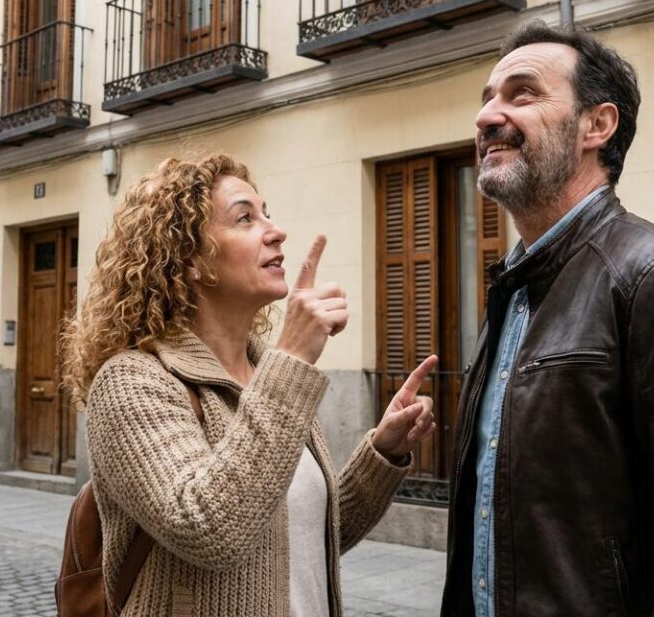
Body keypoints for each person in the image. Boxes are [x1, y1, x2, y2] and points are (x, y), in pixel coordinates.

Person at [440, 21, 654, 616]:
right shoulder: (515, 288)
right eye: (487, 99)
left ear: (596, 126)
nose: (487, 116)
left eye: (521, 94)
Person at [62, 154, 437, 617]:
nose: (275, 230)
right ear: (191, 260)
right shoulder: (131, 382)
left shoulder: (266, 374)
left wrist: (383, 452)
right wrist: (293, 358)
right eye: (245, 218)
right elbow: (207, 527)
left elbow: (302, 535)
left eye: (267, 212)